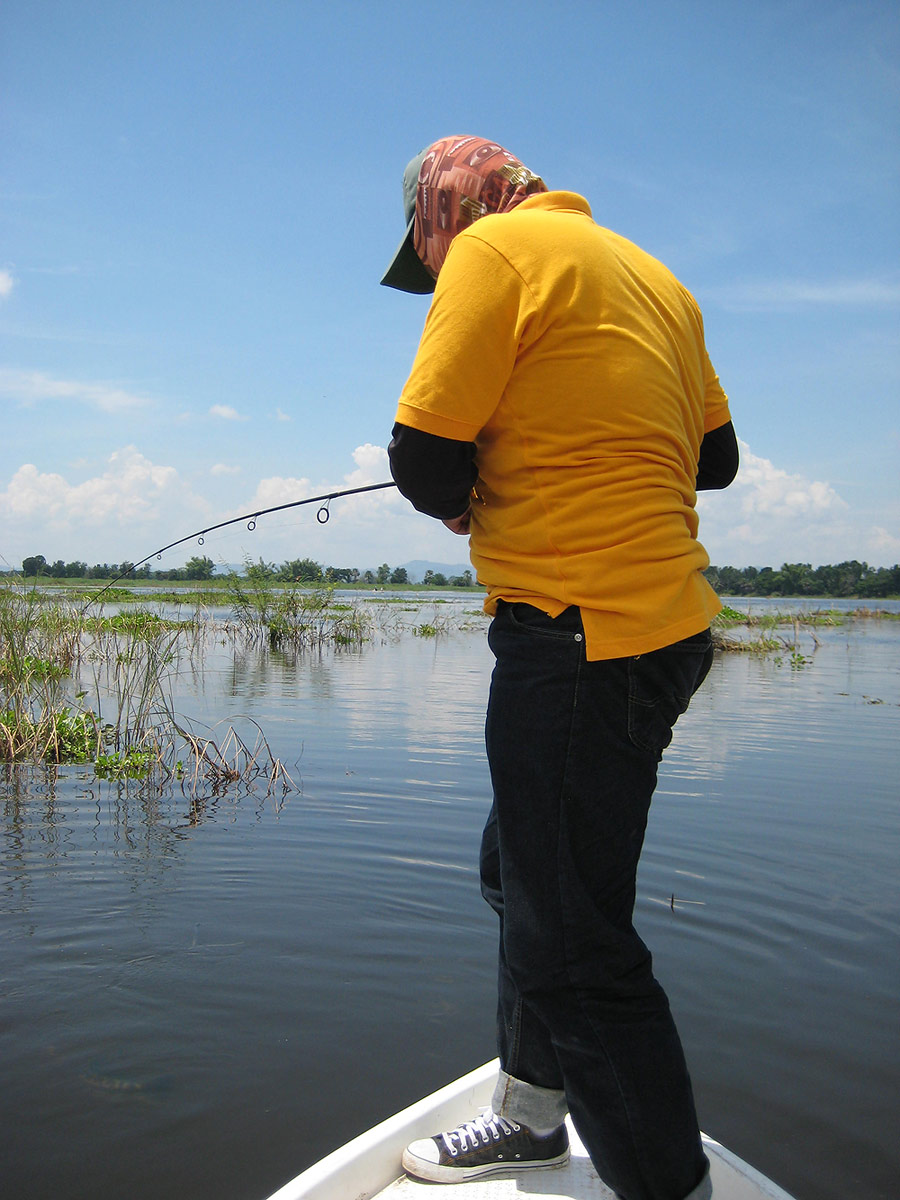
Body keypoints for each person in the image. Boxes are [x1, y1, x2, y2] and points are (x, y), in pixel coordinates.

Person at [381, 135, 738, 1200]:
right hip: (665, 630)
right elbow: (714, 459)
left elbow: (422, 455)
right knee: (527, 877)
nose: (433, 272)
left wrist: (465, 491)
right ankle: (534, 1121)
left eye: (425, 250)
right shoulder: (654, 275)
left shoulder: (492, 253)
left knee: (568, 946)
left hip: (576, 632)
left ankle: (670, 1187)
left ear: (446, 208)